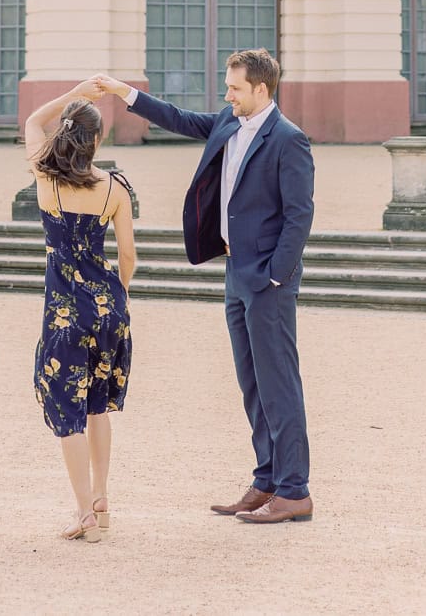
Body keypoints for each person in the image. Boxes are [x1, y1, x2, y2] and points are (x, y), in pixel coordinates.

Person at [94, 49, 314, 524]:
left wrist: (276, 273)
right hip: (235, 272)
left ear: (261, 89)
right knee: (252, 384)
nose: (227, 94)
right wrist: (122, 91)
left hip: (267, 280)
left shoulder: (289, 140)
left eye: (234, 87)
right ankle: (267, 480)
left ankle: (295, 491)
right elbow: (176, 117)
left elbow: (300, 215)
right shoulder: (228, 122)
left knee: (279, 384)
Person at [25, 81, 136, 542]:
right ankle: (103, 498)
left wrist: (76, 94)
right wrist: (117, 296)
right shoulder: (115, 189)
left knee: (66, 412)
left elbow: (33, 121)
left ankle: (84, 513)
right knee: (96, 408)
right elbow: (128, 256)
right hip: (108, 310)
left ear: (64, 136)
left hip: (65, 314)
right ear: (95, 142)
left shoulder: (45, 179)